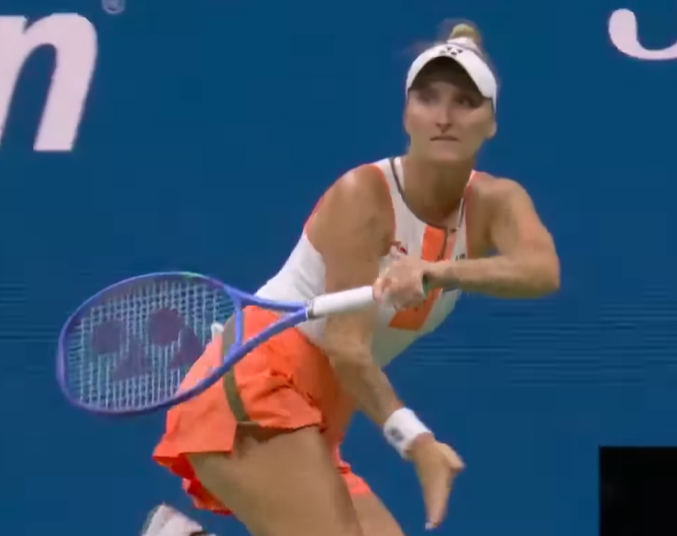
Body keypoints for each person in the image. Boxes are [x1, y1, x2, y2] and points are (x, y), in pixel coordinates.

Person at [145, 19, 560, 536]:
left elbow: (540, 270)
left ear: (490, 122)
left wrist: (435, 270)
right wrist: (416, 442)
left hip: (314, 415)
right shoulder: (364, 197)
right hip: (255, 382)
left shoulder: (496, 201)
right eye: (428, 98)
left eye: (465, 102)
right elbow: (346, 347)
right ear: (407, 115)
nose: (444, 116)